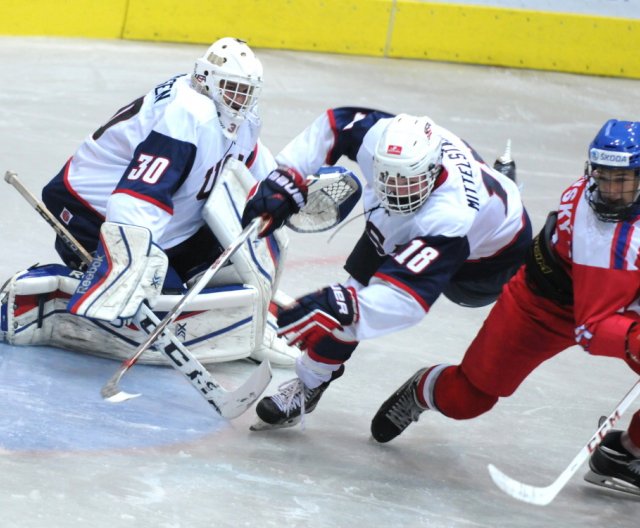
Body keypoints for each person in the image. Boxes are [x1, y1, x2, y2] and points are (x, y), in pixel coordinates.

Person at [0, 38, 310, 367]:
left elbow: (253, 167)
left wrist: (291, 189)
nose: (240, 100)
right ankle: (41, 299)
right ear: (205, 79)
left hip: (170, 218)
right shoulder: (187, 114)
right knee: (158, 300)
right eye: (232, 89)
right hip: (91, 212)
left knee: (236, 258)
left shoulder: (240, 116)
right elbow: (139, 193)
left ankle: (251, 323)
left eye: (247, 91)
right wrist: (130, 258)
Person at [370, 119, 640, 495]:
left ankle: (626, 454)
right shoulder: (599, 231)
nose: (609, 190)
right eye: (603, 177)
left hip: (616, 296)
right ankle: (423, 389)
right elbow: (591, 327)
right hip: (544, 307)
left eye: (622, 180)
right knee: (469, 399)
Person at [242, 107, 532, 430]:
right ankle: (310, 383)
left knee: (350, 306)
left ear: (433, 170)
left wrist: (345, 305)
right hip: (424, 219)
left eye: (406, 180)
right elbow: (334, 125)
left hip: (486, 263)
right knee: (351, 298)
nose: (393, 188)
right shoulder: (380, 137)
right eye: (386, 175)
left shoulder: (450, 215)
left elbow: (406, 302)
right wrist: (288, 175)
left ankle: (506, 188)